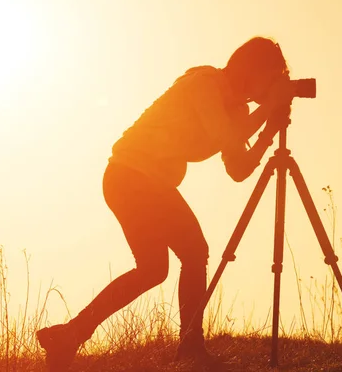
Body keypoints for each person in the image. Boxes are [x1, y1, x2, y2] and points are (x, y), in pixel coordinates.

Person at [36, 36, 295, 370]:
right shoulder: (205, 84)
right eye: (271, 76)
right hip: (131, 175)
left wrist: (268, 130)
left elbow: (238, 169)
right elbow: (222, 137)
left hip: (139, 180)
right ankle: (191, 351)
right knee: (194, 252)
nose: (272, 86)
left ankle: (69, 335)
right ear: (251, 69)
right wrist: (267, 108)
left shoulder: (237, 108)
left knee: (153, 269)